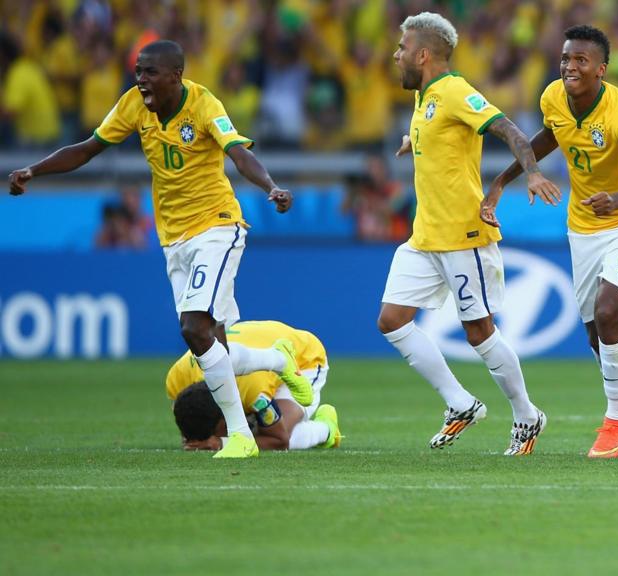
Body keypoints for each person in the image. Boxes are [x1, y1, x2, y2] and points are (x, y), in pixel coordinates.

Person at [8, 40, 310, 459]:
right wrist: (34, 169)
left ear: (175, 76)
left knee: (193, 328)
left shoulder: (204, 104)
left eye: (149, 72)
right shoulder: (133, 104)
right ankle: (278, 361)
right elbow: (89, 147)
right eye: (138, 71)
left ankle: (241, 436)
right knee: (210, 346)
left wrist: (271, 186)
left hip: (217, 228)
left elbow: (238, 154)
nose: (141, 80)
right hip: (174, 240)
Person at [378, 12, 560, 456]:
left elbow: (510, 130)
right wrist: (412, 142)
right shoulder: (425, 100)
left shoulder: (456, 91)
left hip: (463, 234)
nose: (395, 55)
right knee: (391, 321)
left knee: (479, 331)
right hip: (424, 237)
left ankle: (526, 415)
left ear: (422, 54)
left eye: (402, 48)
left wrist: (531, 174)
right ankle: (460, 403)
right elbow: (439, 139)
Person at [490, 25, 618, 459]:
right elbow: (551, 135)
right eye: (566, 59)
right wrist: (503, 179)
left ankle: (613, 422)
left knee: (611, 312)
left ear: (601, 70)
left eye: (581, 61)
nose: (571, 67)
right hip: (586, 224)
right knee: (596, 335)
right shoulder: (553, 96)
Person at [168, 320, 340, 452]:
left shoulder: (252, 391)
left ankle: (327, 430)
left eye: (219, 429)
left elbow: (279, 440)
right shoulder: (176, 381)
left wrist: (221, 442)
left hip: (301, 358)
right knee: (247, 428)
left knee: (285, 431)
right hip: (258, 339)